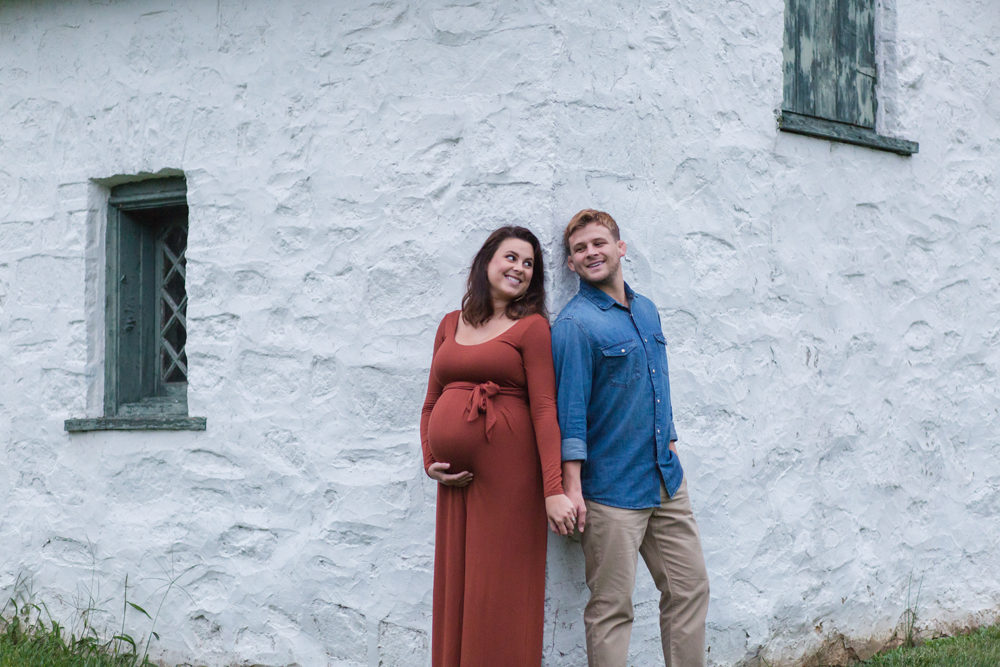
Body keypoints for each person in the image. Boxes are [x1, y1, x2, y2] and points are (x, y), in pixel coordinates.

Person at [551, 209, 710, 667]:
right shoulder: (574, 326)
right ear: (571, 264)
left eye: (599, 243)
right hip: (611, 493)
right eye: (580, 249)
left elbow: (658, 381)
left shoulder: (646, 310)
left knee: (689, 587)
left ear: (620, 248)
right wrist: (572, 486)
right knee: (612, 610)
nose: (590, 253)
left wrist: (672, 440)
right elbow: (571, 414)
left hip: (665, 480)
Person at [420, 225, 577, 666]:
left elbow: (545, 409)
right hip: (455, 482)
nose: (520, 269)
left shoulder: (531, 328)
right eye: (511, 258)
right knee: (457, 588)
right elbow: (431, 402)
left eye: (529, 264)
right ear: (486, 262)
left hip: (511, 476)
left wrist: (553, 489)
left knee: (499, 591)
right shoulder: (450, 324)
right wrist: (430, 459)